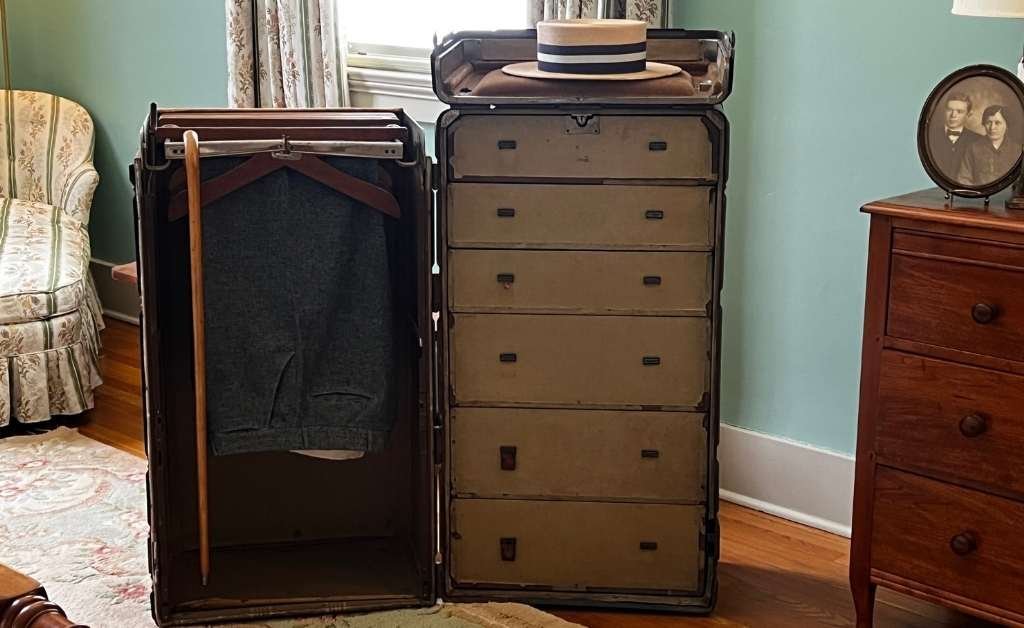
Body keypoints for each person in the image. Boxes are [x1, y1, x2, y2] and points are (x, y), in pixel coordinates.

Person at [958, 104, 1023, 186]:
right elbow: (963, 178)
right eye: (989, 122)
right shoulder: (973, 148)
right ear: (984, 124)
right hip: (981, 196)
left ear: (1007, 125)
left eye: (997, 123)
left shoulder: (1017, 150)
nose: (992, 128)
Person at [930, 93, 983, 177]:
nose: (953, 115)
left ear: (968, 115)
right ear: (944, 110)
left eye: (959, 111)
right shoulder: (930, 136)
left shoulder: (978, 140)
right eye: (949, 110)